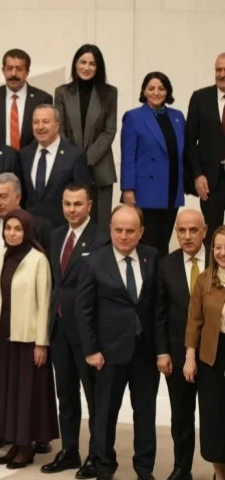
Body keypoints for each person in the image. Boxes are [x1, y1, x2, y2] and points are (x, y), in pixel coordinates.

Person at [76, 205, 160, 480]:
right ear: (110, 230)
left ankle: (144, 469)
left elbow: (156, 307)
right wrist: (91, 350)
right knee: (105, 414)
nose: (123, 236)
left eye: (130, 231)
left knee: (145, 414)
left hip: (145, 352)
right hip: (108, 353)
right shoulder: (93, 262)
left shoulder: (151, 257)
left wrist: (161, 350)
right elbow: (83, 310)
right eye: (118, 230)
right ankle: (103, 466)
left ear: (141, 232)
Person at [41, 184, 108, 478]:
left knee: (94, 398)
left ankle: (97, 455)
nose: (71, 209)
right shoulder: (56, 236)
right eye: (67, 203)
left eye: (77, 204)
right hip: (59, 330)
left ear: (89, 205)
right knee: (66, 395)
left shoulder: (102, 239)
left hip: (87, 333)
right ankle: (70, 451)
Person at [0, 208, 58, 469]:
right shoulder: (0, 256)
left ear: (27, 231)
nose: (12, 233)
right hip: (3, 332)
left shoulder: (38, 260)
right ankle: (14, 444)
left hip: (27, 336)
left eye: (17, 229)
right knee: (7, 390)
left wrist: (41, 343)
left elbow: (44, 302)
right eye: (8, 228)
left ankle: (26, 447)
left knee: (26, 392)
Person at [155, 209, 207, 480]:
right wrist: (162, 352)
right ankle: (182, 468)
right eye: (182, 230)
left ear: (204, 231)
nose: (187, 236)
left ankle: (219, 467)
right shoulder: (166, 265)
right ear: (176, 232)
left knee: (215, 414)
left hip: (214, 354)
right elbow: (159, 313)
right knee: (181, 415)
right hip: (176, 353)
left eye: (193, 230)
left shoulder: (219, 259)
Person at [121, 71, 185, 258]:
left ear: (168, 91)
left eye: (161, 88)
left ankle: (163, 276)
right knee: (149, 245)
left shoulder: (177, 116)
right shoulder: (134, 117)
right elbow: (128, 155)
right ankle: (149, 276)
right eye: (151, 88)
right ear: (144, 91)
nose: (156, 93)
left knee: (164, 242)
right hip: (145, 191)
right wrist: (128, 188)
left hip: (171, 189)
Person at [55, 44, 117, 232]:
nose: (86, 67)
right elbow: (59, 129)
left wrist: (85, 160)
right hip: (69, 167)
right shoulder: (62, 92)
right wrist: (75, 159)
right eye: (82, 62)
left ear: (99, 68)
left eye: (92, 64)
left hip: (100, 169)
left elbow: (109, 131)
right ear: (75, 64)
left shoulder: (110, 93)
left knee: (100, 228)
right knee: (71, 225)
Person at [184, 224, 225, 480]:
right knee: (214, 420)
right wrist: (190, 358)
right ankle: (219, 474)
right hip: (213, 356)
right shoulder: (204, 280)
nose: (222, 252)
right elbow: (194, 322)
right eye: (218, 247)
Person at [20, 104, 92, 227]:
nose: (40, 127)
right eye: (36, 122)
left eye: (46, 122)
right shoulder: (25, 154)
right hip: (30, 229)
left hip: (61, 229)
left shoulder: (75, 156)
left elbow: (83, 198)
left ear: (57, 125)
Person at [185, 52, 225, 248]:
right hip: (210, 181)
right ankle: (211, 269)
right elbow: (190, 142)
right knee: (211, 237)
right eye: (218, 69)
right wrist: (197, 175)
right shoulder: (200, 98)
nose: (221, 74)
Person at [0, 49, 53, 150]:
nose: (13, 74)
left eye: (19, 69)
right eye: (9, 68)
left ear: (27, 72)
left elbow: (46, 135)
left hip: (31, 157)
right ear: (3, 71)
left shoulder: (42, 99)